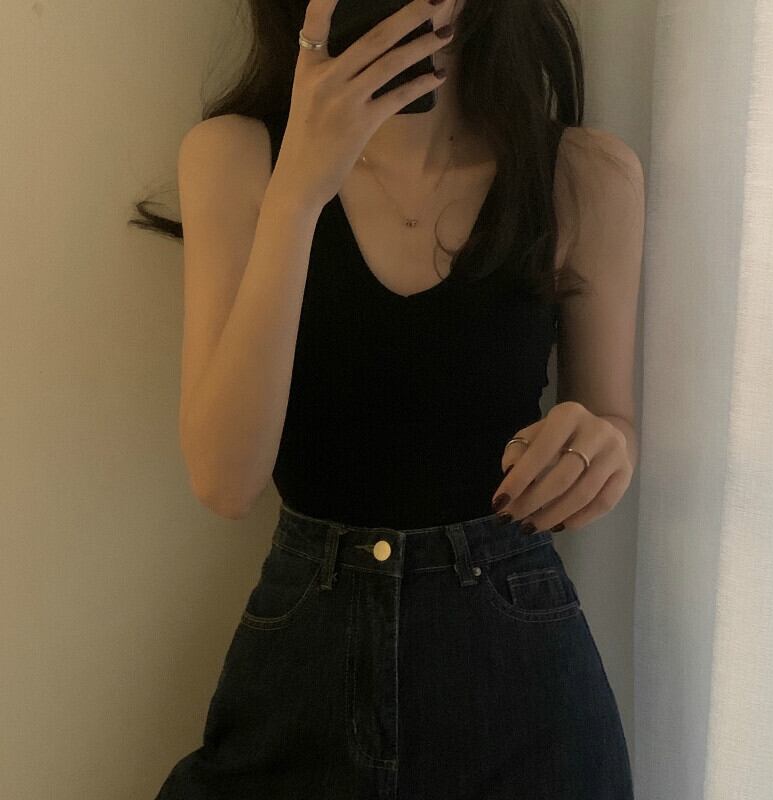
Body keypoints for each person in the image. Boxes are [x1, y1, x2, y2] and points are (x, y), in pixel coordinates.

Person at [147, 0, 645, 796]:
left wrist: (600, 446)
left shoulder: (583, 175)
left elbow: (609, 417)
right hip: (305, 659)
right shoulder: (236, 157)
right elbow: (225, 481)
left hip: (517, 664)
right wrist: (299, 190)